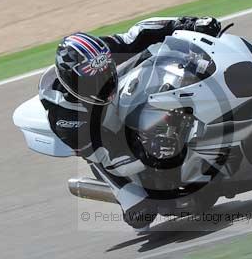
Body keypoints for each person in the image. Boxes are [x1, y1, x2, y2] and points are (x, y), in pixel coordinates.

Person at [42, 16, 221, 159]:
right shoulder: (66, 119)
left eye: (105, 72)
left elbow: (139, 33)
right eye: (92, 80)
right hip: (104, 142)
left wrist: (189, 24)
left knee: (156, 56)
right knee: (150, 190)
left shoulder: (97, 55)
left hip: (120, 94)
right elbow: (108, 154)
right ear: (71, 81)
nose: (102, 83)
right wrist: (146, 151)